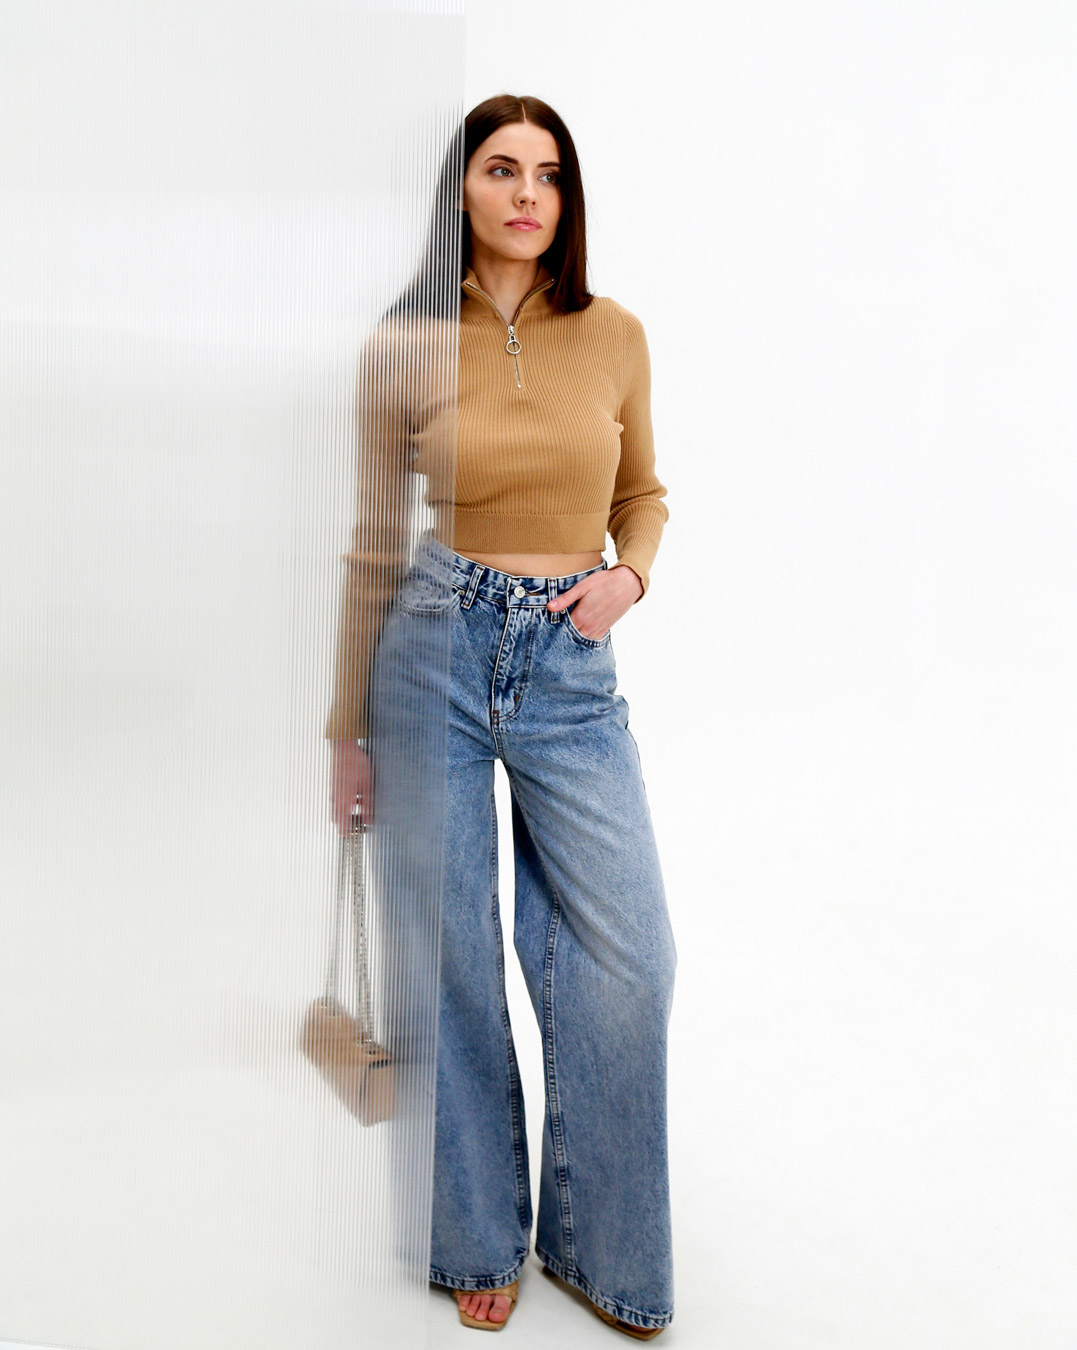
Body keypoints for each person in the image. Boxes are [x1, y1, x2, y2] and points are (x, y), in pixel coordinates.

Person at [327, 93, 677, 1340]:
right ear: (462, 189)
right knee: (451, 959)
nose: (528, 193)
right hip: (430, 644)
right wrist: (346, 731)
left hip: (570, 660)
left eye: (548, 174)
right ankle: (475, 1236)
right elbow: (374, 543)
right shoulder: (402, 344)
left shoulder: (615, 333)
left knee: (633, 958)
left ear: (566, 199)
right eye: (500, 169)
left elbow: (643, 492)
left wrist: (629, 578)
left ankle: (598, 1245)